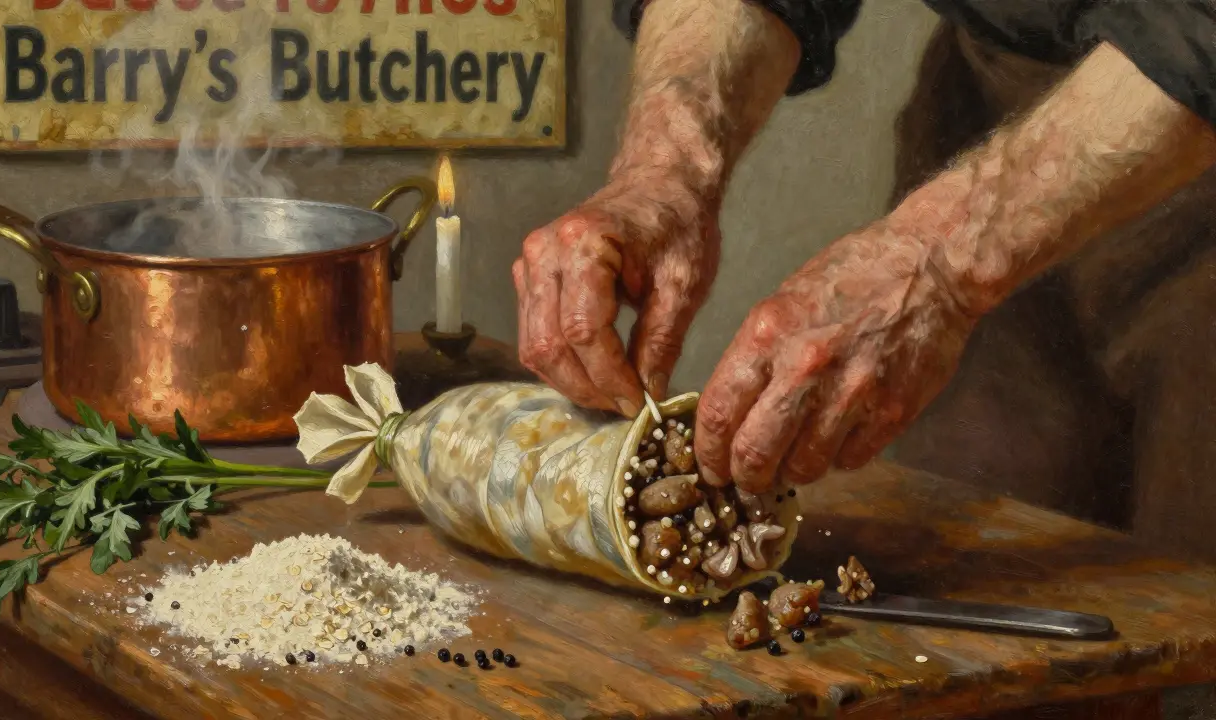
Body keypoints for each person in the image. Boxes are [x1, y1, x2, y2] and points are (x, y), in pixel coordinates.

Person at [512, 0, 1216, 559]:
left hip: (1191, 151)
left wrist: (938, 263)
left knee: (1187, 601)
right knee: (969, 574)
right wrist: (664, 168)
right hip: (999, 104)